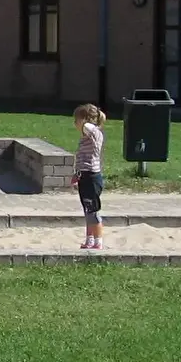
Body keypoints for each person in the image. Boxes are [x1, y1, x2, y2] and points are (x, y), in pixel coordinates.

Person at [71, 103, 106, 251]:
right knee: (88, 210)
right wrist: (76, 174)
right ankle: (89, 239)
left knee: (93, 210)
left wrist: (84, 122)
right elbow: (82, 159)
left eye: (76, 120)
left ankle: (98, 241)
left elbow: (88, 126)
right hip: (84, 175)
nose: (75, 123)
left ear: (84, 119)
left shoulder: (93, 132)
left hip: (91, 177)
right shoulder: (87, 136)